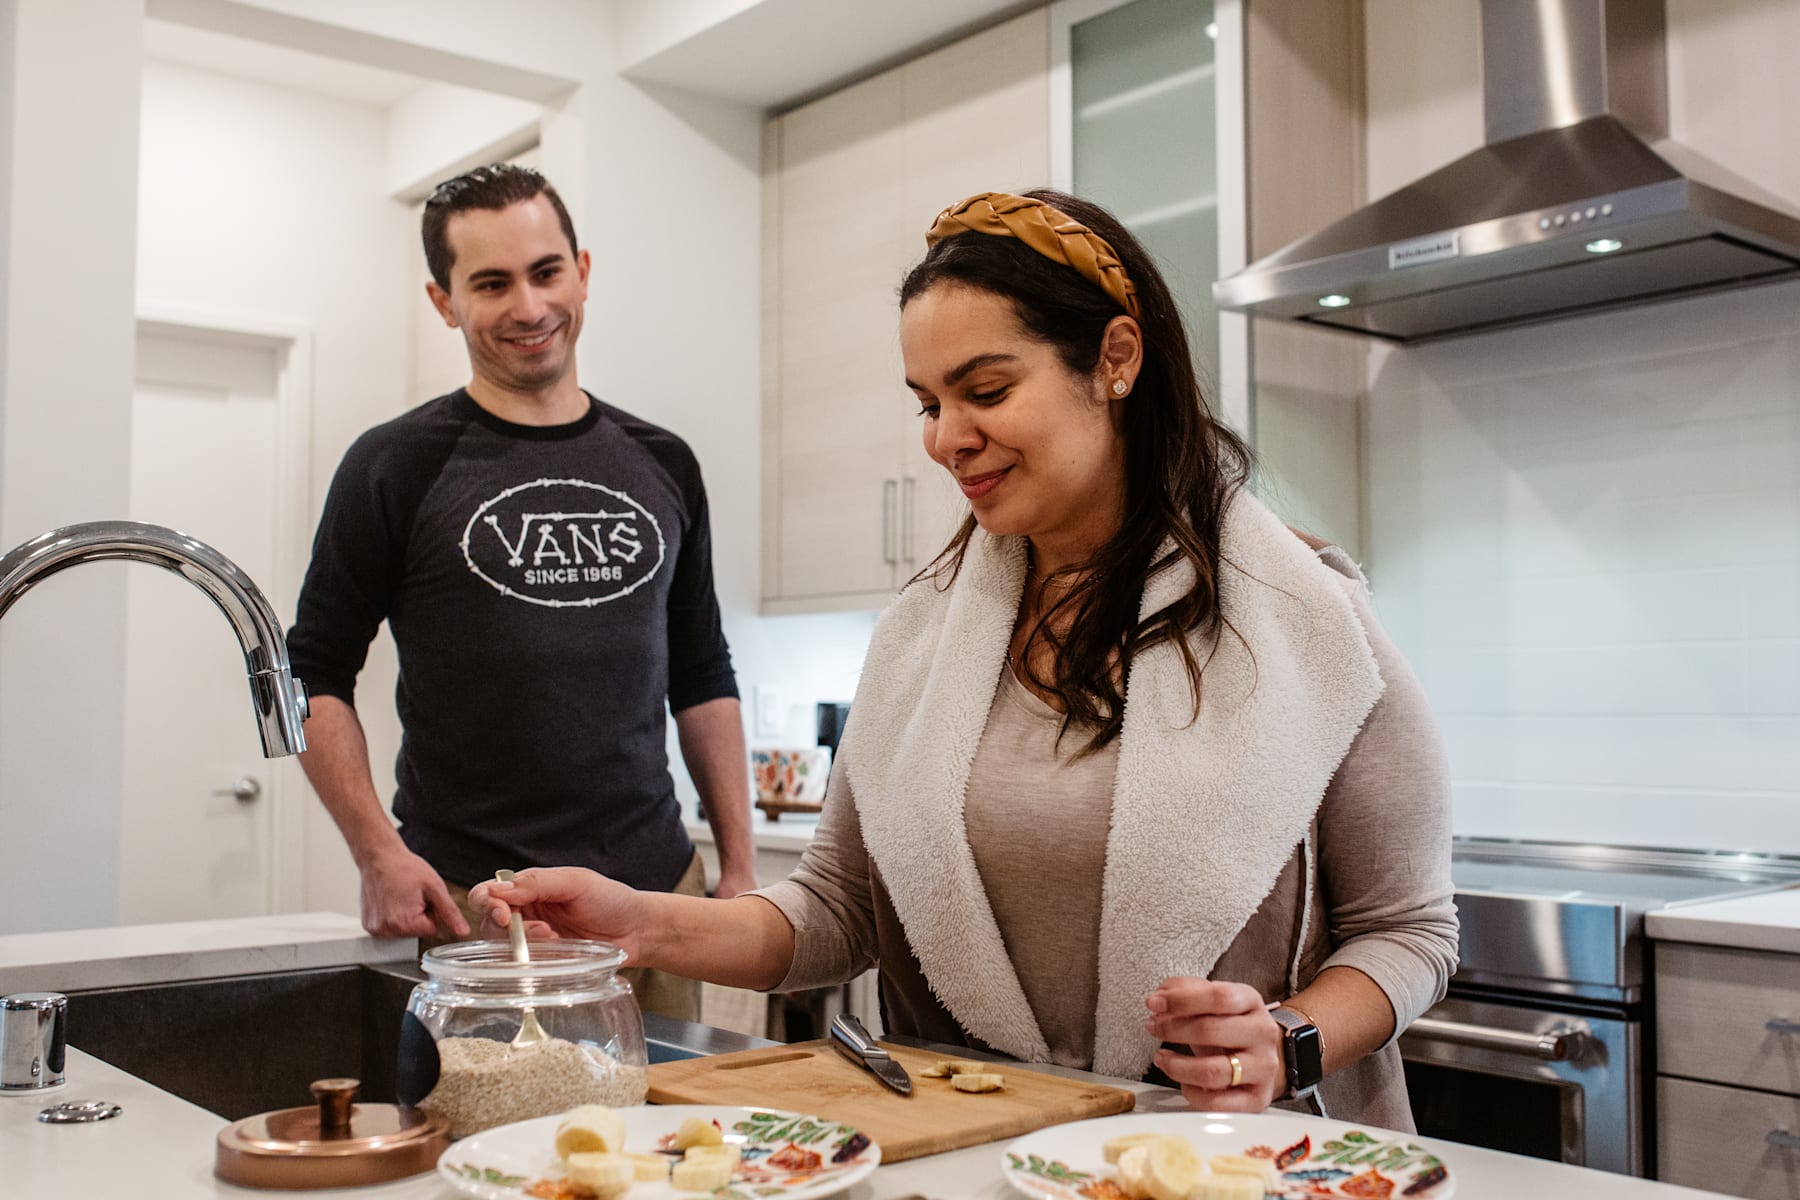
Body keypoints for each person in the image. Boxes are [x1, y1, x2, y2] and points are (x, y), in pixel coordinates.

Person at [473, 190, 1457, 1124]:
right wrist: (638, 925)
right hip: (980, 1151)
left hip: (1228, 1160)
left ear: (1116, 358)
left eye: (984, 390)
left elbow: (1410, 934)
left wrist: (1287, 1039)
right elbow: (840, 905)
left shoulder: (1302, 621)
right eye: (927, 402)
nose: (945, 439)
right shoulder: (923, 638)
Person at [286, 163, 757, 1020]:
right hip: (477, 912)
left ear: (582, 268)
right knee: (488, 1152)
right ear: (444, 301)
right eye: (492, 283)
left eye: (546, 273)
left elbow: (701, 671)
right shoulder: (394, 465)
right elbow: (310, 671)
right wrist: (377, 852)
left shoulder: (665, 462)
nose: (530, 307)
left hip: (650, 900)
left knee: (655, 1145)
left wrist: (740, 863)